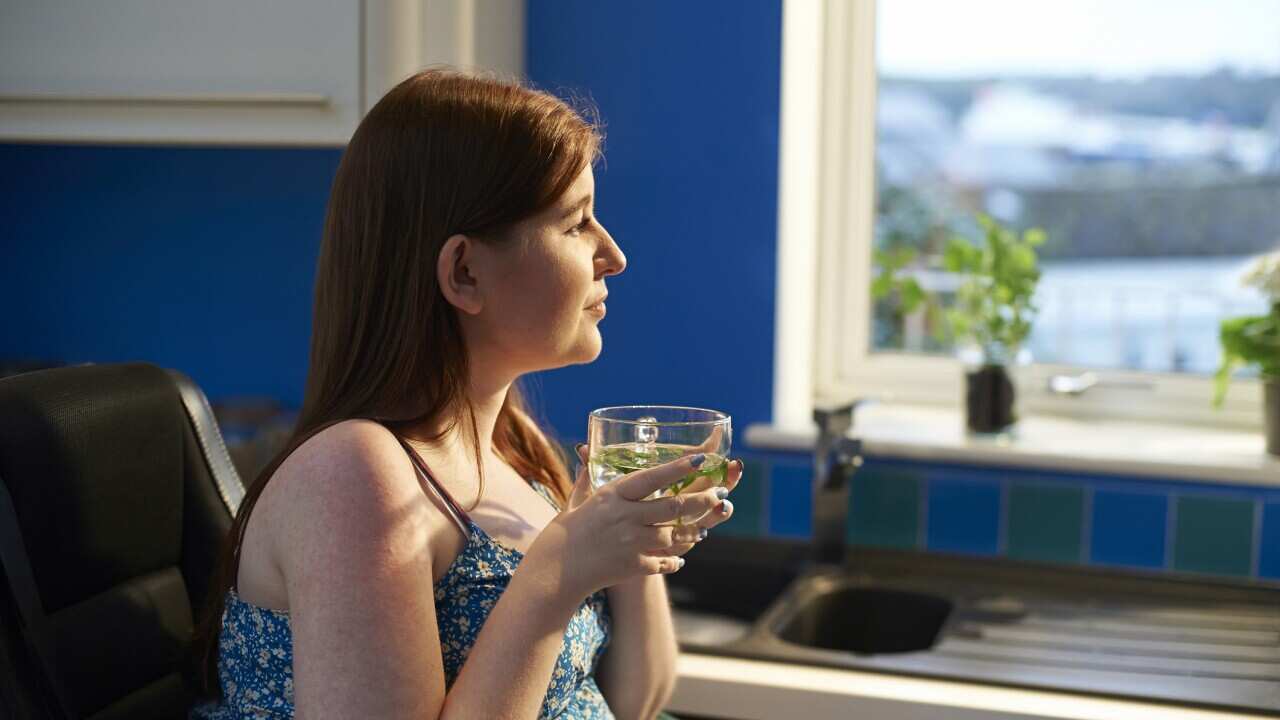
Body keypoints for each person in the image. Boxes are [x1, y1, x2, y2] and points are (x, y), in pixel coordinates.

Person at [190, 68, 744, 719]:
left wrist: (631, 548)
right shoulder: (354, 476)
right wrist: (558, 571)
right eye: (576, 224)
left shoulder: (516, 451)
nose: (613, 254)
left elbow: (633, 701)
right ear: (464, 271)